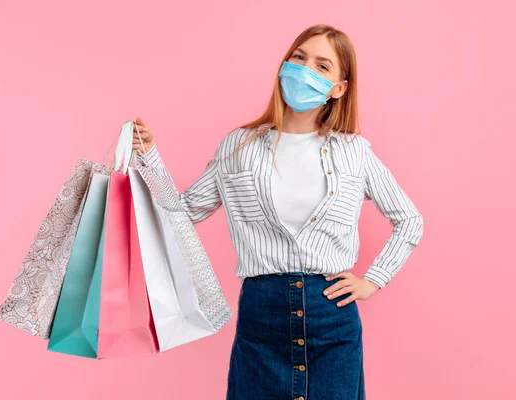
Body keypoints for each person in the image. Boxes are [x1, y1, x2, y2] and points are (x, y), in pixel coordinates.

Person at [131, 23, 424, 400]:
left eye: (322, 66)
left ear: (339, 88)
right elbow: (181, 213)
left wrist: (374, 280)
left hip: (332, 320)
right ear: (284, 66)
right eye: (299, 58)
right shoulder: (239, 145)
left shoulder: (355, 152)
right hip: (261, 316)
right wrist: (149, 156)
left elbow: (409, 220)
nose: (305, 71)